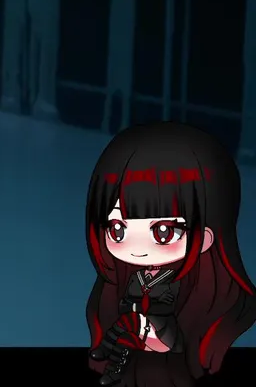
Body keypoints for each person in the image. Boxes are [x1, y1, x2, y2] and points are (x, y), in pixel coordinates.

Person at [85, 122, 255, 386]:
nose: (137, 249)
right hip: (141, 328)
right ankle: (113, 361)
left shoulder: (188, 284)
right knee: (127, 330)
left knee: (130, 327)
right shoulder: (131, 277)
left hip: (164, 333)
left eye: (163, 231)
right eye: (117, 229)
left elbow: (162, 307)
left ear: (206, 238)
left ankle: (111, 354)